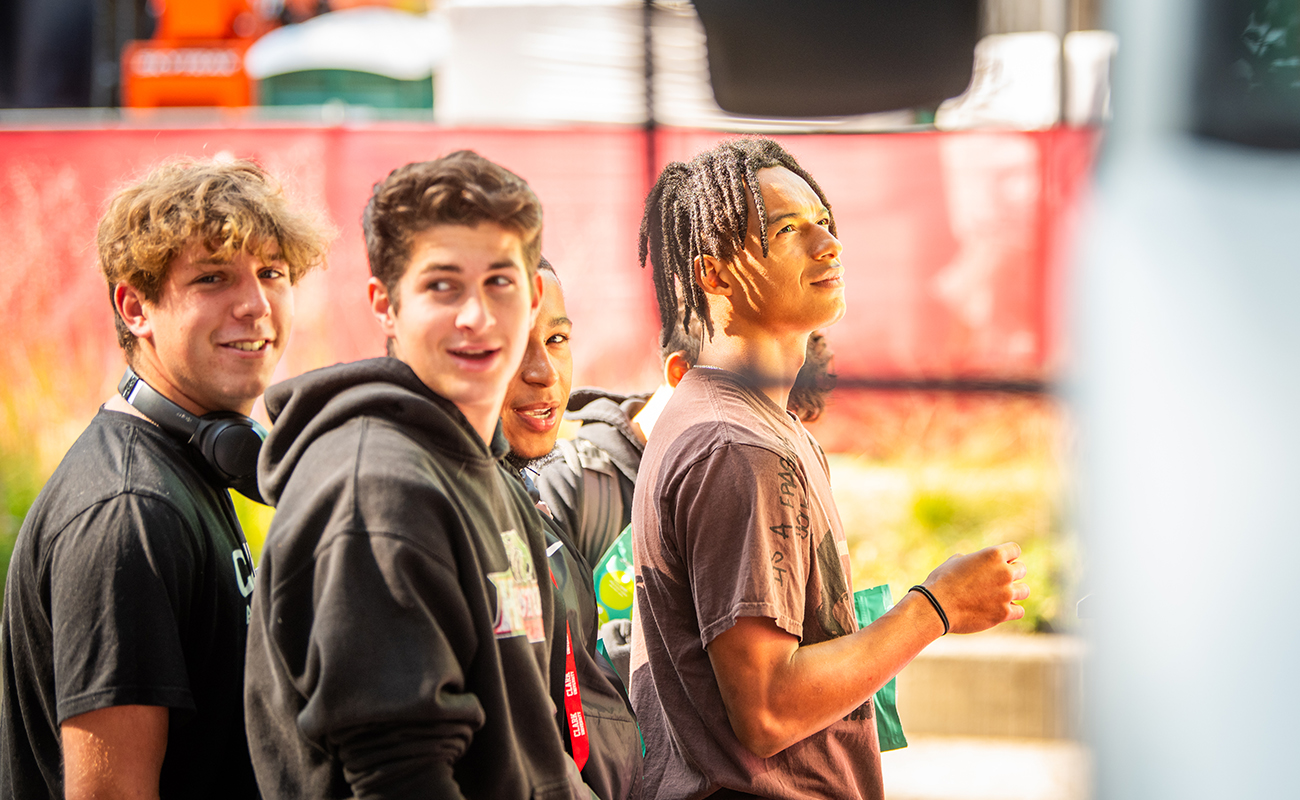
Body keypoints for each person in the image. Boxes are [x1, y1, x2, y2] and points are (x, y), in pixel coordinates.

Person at [631, 137, 1030, 800]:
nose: (828, 245)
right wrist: (936, 607)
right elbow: (768, 710)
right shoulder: (738, 448)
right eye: (788, 229)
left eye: (825, 222)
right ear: (716, 274)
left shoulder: (746, 422)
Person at [243, 151, 589, 799]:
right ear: (385, 304)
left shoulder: (481, 463)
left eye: (498, 282)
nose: (477, 318)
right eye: (442, 286)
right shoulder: (376, 494)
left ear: (534, 294)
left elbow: (531, 750)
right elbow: (402, 779)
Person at [0, 158, 328, 800]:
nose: (256, 305)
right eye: (213, 278)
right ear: (135, 306)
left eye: (272, 273)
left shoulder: (187, 467)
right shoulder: (129, 514)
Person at [498, 259, 643, 800]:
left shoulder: (529, 499)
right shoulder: (451, 517)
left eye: (557, 338)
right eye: (512, 344)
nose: (544, 371)